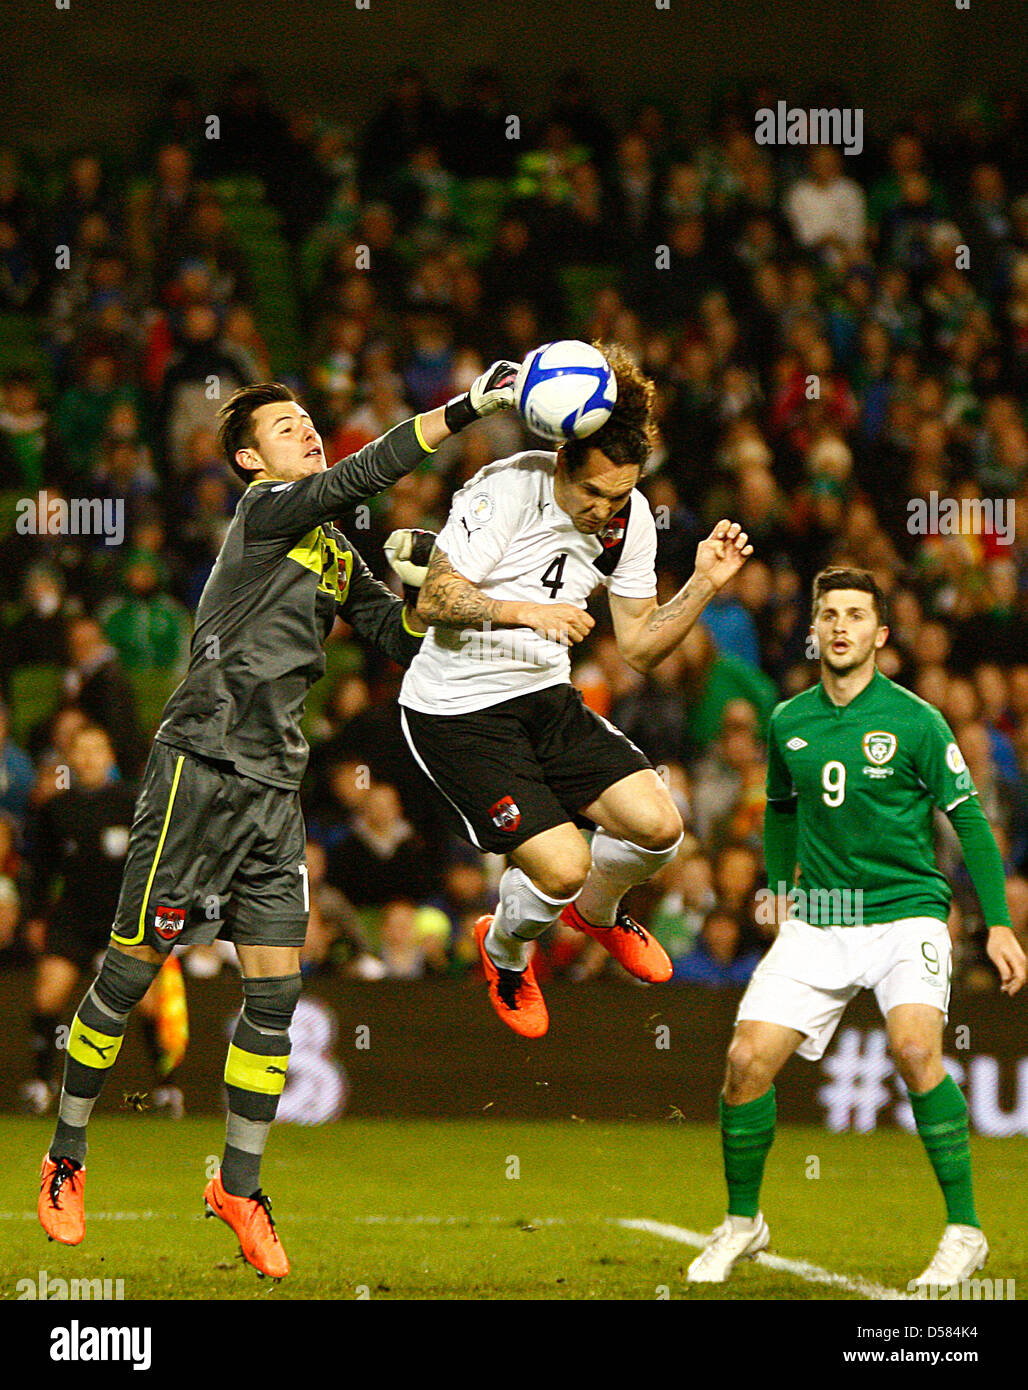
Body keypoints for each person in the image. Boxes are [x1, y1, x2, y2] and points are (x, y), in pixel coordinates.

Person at [36, 361, 520, 1278]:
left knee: (275, 995)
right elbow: (358, 475)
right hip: (199, 766)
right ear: (251, 460)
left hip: (272, 787)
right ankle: (65, 1159)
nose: (307, 429)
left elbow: (396, 638)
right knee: (132, 970)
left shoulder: (334, 549)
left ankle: (240, 1187)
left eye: (308, 418)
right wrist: (468, 408)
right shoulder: (268, 514)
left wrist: (461, 600)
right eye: (286, 425)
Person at [392, 343, 752, 1036]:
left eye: (618, 496)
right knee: (559, 866)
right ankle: (504, 950)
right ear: (562, 461)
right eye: (593, 494)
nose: (603, 510)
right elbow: (435, 599)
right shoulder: (504, 489)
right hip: (457, 711)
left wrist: (705, 582)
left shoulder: (630, 519)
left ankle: (599, 910)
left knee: (660, 829)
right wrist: (525, 612)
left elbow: (642, 646)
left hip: (543, 700)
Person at [688, 568, 1027, 1290]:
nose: (840, 626)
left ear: (880, 634)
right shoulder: (788, 722)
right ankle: (744, 1223)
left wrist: (998, 924)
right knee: (746, 1063)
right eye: (829, 615)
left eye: (855, 615)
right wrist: (781, 897)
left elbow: (968, 817)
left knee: (911, 1048)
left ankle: (964, 1231)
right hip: (822, 919)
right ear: (813, 632)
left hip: (907, 911)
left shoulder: (916, 721)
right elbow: (780, 810)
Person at [21, 724, 186, 1117]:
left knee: (148, 1003)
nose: (90, 758)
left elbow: (161, 865)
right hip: (73, 919)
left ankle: (166, 1089)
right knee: (48, 994)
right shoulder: (55, 809)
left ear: (110, 757)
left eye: (98, 750)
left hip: (126, 919)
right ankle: (42, 1083)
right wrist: (33, 916)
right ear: (71, 758)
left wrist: (164, 916)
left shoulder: (136, 802)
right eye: (82, 750)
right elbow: (41, 870)